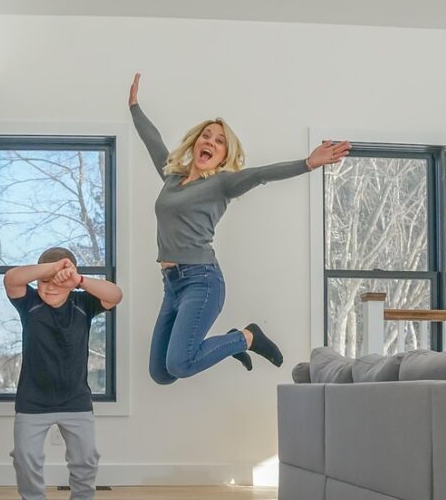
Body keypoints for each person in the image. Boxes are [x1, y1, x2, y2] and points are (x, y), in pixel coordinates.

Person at [128, 73, 349, 384]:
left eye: (219, 141)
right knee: (161, 373)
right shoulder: (172, 178)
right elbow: (152, 139)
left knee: (180, 364)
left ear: (224, 155)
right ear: (195, 143)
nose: (210, 142)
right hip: (171, 283)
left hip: (201, 281)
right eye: (206, 136)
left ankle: (247, 337)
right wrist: (134, 107)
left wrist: (308, 163)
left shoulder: (223, 184)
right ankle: (235, 341)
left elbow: (261, 174)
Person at [3, 247, 123, 500]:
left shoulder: (83, 304)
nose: (49, 288)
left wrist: (77, 279)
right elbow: (11, 279)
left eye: (58, 282)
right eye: (44, 281)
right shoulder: (29, 303)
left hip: (76, 401)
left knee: (85, 459)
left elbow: (115, 295)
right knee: (25, 458)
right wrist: (52, 269)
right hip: (32, 402)